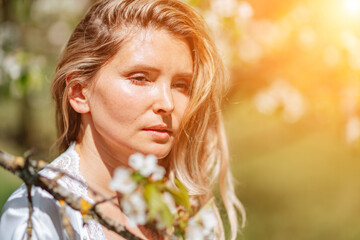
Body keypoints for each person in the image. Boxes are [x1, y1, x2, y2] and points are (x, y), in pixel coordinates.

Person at [0, 0, 245, 239]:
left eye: (181, 85)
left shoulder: (182, 210)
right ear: (79, 93)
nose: (167, 104)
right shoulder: (38, 213)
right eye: (140, 78)